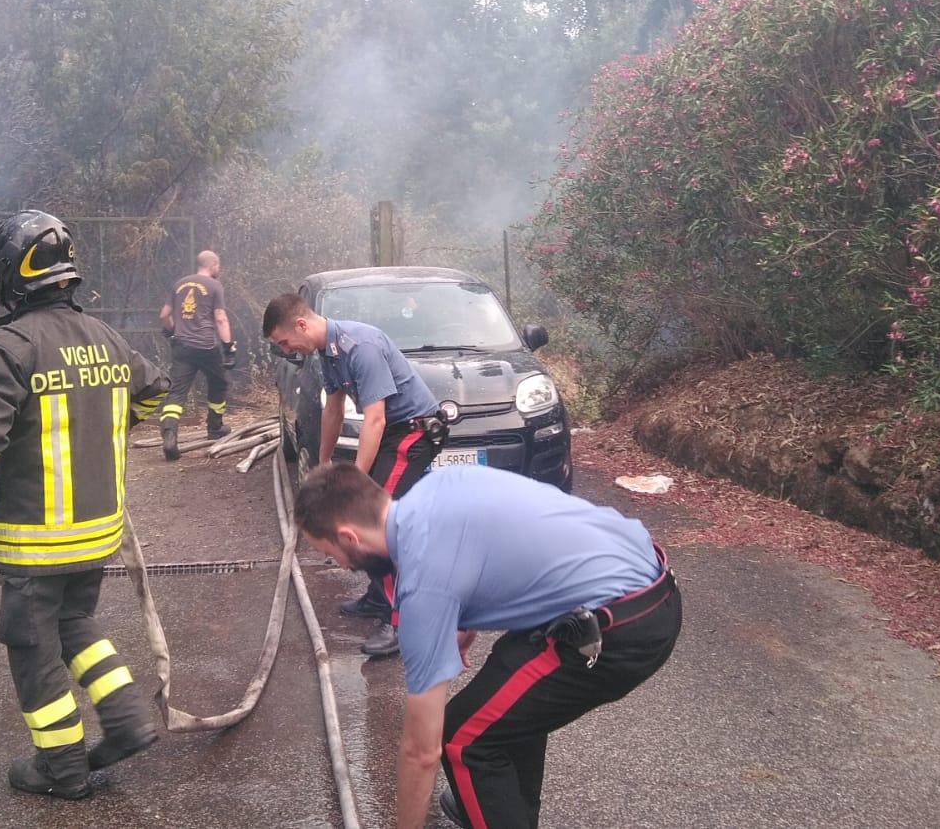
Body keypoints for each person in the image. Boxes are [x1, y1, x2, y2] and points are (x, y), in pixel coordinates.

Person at [0, 210, 170, 800]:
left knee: (32, 645)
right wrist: (104, 426)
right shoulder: (106, 339)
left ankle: (59, 766)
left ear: (12, 275)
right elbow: (155, 391)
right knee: (75, 624)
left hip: (36, 540)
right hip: (95, 533)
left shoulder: (9, 346)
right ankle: (129, 719)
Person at [293, 462, 682, 829]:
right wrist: (465, 624)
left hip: (624, 628)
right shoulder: (439, 486)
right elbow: (496, 542)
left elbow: (420, 752)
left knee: (463, 739)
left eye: (333, 555)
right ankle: (506, 811)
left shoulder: (424, 589)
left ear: (349, 537)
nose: (343, 566)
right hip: (650, 578)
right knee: (508, 694)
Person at [262, 291, 445, 657]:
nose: (287, 350)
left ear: (301, 324)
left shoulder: (360, 346)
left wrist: (353, 485)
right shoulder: (328, 353)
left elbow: (374, 419)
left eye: (285, 341)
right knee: (370, 520)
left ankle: (401, 624)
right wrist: (324, 463)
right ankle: (379, 599)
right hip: (391, 432)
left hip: (412, 432)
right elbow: (334, 410)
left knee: (377, 523)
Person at [157, 250, 236, 460]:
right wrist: (228, 347)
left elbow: (164, 315)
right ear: (213, 265)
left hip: (182, 346)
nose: (219, 269)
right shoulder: (214, 286)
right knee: (219, 384)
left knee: (177, 393)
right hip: (206, 347)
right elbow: (220, 318)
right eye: (218, 266)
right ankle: (215, 428)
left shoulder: (180, 284)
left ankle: (169, 435)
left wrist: (172, 330)